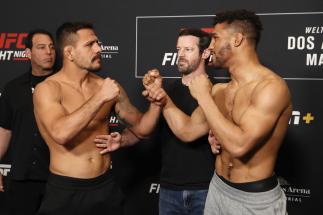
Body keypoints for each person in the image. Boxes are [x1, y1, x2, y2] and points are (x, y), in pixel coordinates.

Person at [146, 10, 291, 214]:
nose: (211, 45)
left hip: (253, 200)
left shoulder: (271, 88)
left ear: (237, 39)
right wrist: (162, 96)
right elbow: (187, 130)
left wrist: (204, 98)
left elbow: (239, 146)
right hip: (217, 189)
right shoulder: (220, 90)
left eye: (215, 38)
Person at [33, 22, 165, 215]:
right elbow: (61, 133)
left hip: (105, 187)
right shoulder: (49, 89)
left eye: (98, 43)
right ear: (69, 53)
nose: (99, 48)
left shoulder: (107, 86)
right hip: (66, 191)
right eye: (90, 45)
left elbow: (143, 129)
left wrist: (155, 101)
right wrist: (100, 97)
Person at [96, 28, 217, 215]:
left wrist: (162, 98)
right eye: (178, 49)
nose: (181, 55)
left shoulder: (216, 92)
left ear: (205, 53)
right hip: (169, 190)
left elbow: (187, 132)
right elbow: (147, 129)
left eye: (188, 50)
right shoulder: (168, 90)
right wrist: (123, 140)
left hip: (205, 189)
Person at [0, 29, 56, 215]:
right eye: (41, 47)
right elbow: (5, 130)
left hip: (58, 180)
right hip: (21, 179)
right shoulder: (12, 88)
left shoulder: (66, 86)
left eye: (51, 47)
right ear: (28, 53)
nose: (48, 52)